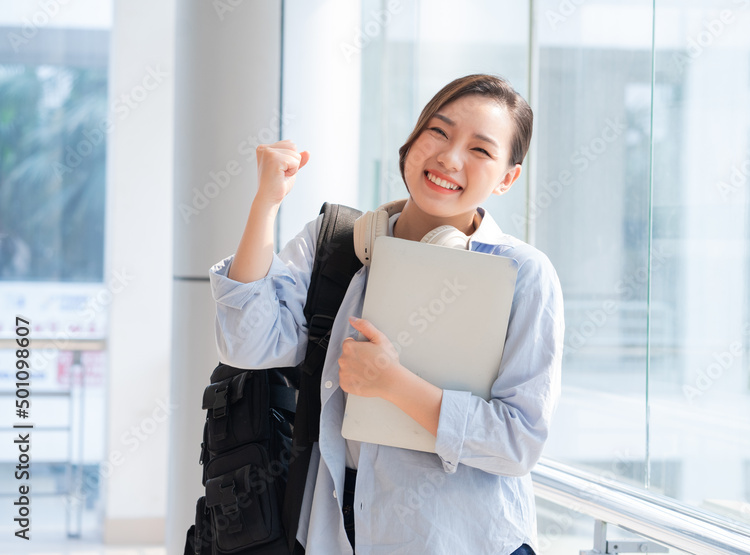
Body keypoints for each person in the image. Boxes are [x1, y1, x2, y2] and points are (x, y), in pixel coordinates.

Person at [209, 74, 564, 554]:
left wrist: (393, 385)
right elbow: (246, 343)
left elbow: (517, 441)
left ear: (507, 177)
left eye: (480, 150)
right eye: (438, 131)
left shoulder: (521, 274)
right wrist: (265, 204)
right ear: (412, 139)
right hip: (338, 527)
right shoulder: (337, 245)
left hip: (460, 538)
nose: (449, 157)